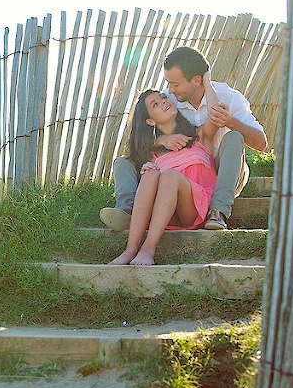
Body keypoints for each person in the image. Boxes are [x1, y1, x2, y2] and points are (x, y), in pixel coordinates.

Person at [100, 46, 268, 233]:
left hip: (222, 172)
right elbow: (141, 133)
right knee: (124, 162)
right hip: (181, 178)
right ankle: (128, 211)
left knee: (234, 137)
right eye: (168, 84)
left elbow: (262, 143)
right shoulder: (170, 99)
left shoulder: (229, 98)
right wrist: (161, 141)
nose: (169, 91)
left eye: (175, 84)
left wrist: (230, 122)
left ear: (197, 80)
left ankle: (218, 211)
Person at [107, 71, 221, 266]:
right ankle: (129, 250)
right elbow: (139, 159)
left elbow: (216, 113)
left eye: (162, 98)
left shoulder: (199, 136)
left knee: (169, 176)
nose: (164, 102)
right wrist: (149, 163)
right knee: (151, 174)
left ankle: (147, 250)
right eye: (155, 105)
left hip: (193, 207)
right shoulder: (152, 153)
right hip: (165, 211)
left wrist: (207, 80)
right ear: (150, 121)